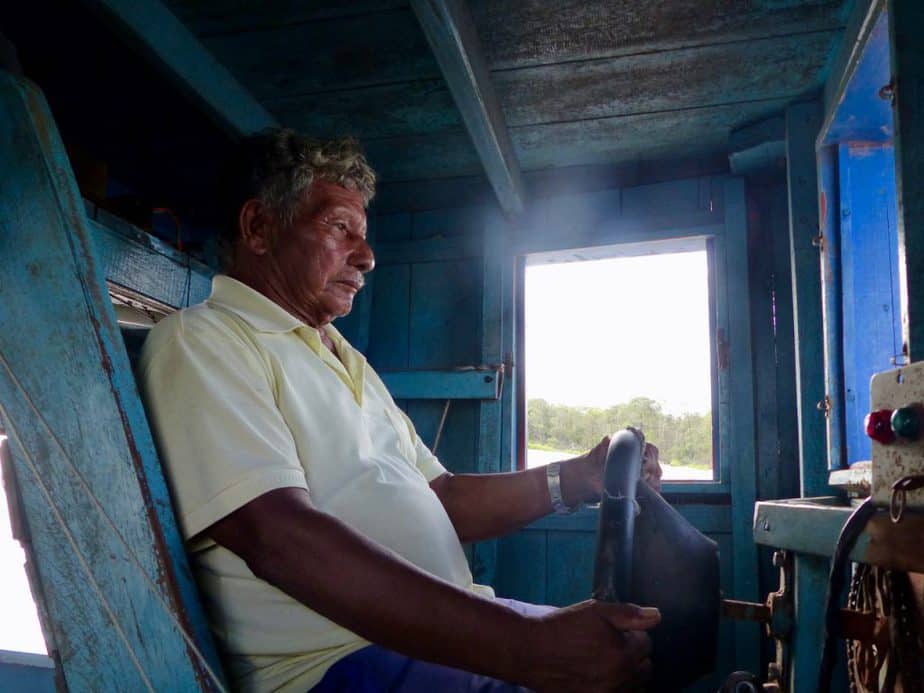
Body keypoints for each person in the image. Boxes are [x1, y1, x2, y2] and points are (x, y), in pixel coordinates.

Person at [139, 129, 659, 693]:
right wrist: (526, 647)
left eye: (363, 236)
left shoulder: (341, 356)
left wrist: (577, 476)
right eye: (340, 228)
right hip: (336, 666)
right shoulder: (203, 341)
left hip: (435, 639)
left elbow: (444, 497)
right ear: (259, 228)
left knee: (628, 656)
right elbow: (277, 537)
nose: (366, 256)